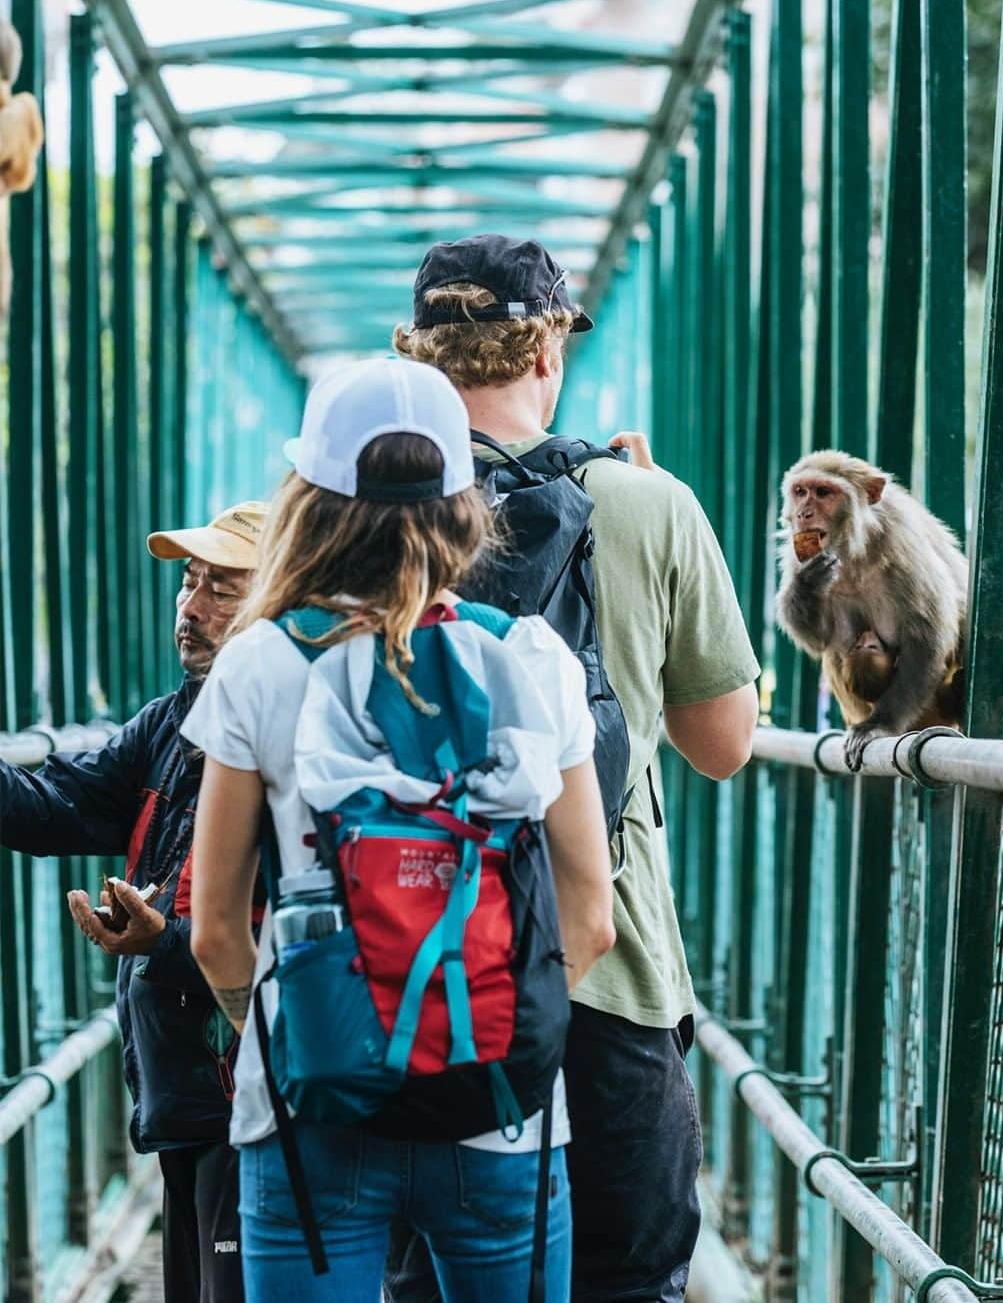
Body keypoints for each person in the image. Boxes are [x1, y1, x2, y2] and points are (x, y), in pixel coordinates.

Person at [184, 357, 614, 1302]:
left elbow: (216, 931)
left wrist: (299, 1040)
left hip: (309, 1115)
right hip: (501, 1111)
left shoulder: (259, 663)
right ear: (465, 504)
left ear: (309, 503)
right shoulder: (530, 658)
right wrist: (484, 1041)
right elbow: (590, 920)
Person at [391, 234, 761, 1303]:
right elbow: (724, 746)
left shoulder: (351, 513)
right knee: (624, 1276)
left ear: (416, 355)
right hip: (609, 955)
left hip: (410, 956)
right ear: (547, 350)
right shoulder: (648, 504)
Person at [0, 501, 268, 1303]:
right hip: (184, 1095)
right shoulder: (172, 723)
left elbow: (297, 932)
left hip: (253, 1095)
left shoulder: (305, 733)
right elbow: (52, 807)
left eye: (221, 589)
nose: (190, 609)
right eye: (190, 584)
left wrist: (166, 941)